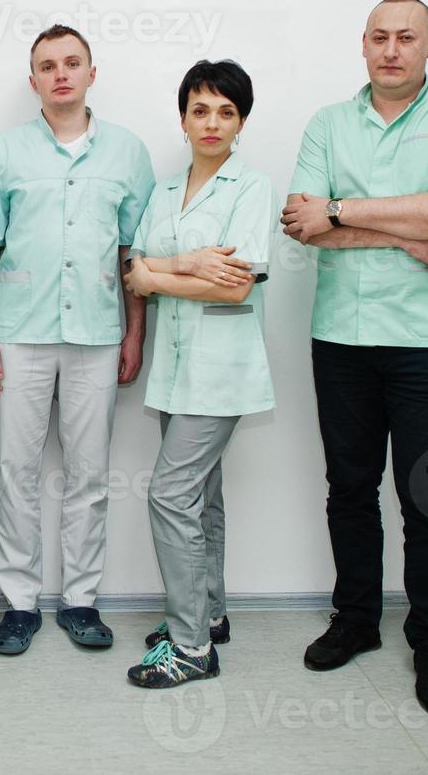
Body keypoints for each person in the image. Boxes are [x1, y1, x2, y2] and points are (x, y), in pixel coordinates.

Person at [280, 0, 428, 716]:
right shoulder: (327, 123)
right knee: (349, 488)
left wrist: (343, 209)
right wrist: (403, 235)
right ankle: (356, 621)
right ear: (362, 44)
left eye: (406, 37)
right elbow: (300, 225)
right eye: (379, 37)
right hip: (340, 336)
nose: (391, 50)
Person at [0, 24, 156, 654]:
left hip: (98, 335)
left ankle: (81, 600)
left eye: (71, 63)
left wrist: (134, 333)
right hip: (19, 335)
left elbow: (136, 255)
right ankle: (19, 603)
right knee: (15, 471)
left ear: (91, 73)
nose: (60, 74)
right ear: (34, 81)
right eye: (47, 66)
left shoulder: (129, 153)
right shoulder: (6, 150)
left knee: (89, 475)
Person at [121, 59, 275, 688]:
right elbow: (133, 270)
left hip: (222, 370)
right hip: (174, 369)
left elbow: (236, 287)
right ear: (182, 116)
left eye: (226, 111)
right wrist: (174, 268)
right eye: (200, 109)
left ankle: (188, 649)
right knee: (202, 497)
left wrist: (157, 275)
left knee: (169, 495)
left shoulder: (251, 187)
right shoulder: (161, 191)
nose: (212, 122)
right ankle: (209, 615)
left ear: (242, 121)